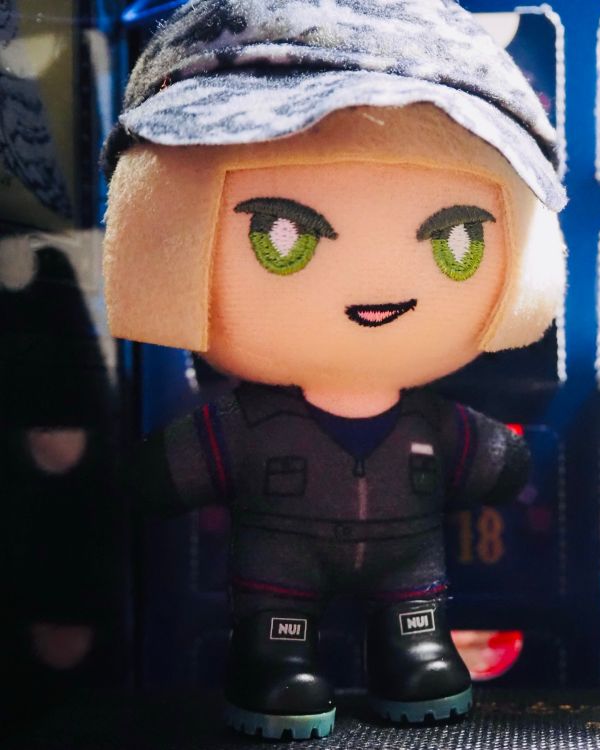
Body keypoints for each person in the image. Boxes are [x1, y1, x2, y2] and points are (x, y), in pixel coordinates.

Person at [101, 0, 566, 739]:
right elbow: (172, 468)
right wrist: (143, 478)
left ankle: (410, 652)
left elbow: (491, 458)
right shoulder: (249, 424)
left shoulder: (429, 422)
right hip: (279, 569)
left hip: (409, 571)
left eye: (458, 243)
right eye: (279, 237)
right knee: (275, 636)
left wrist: (506, 461)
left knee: (416, 634)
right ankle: (274, 663)